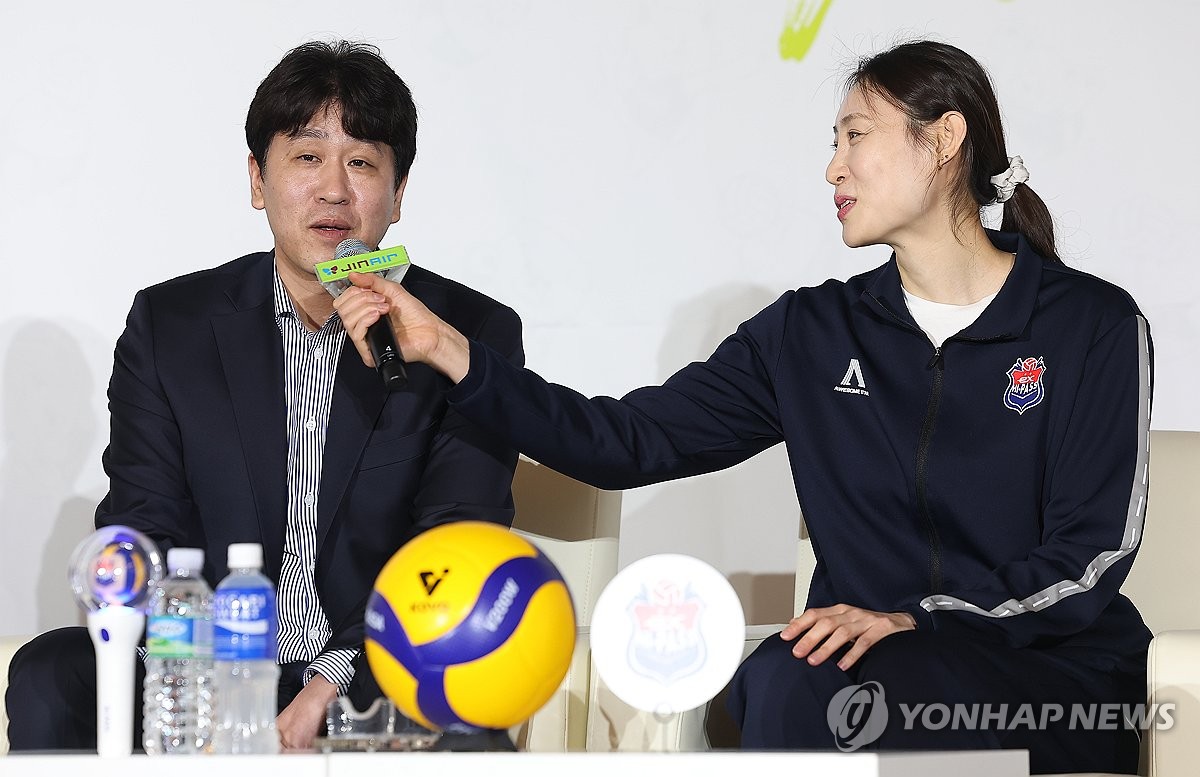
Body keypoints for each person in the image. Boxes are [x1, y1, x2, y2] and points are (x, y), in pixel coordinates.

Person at [332, 40, 1151, 774]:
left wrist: (918, 618)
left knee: (852, 693)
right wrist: (449, 349)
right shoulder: (811, 333)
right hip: (860, 669)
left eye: (855, 135)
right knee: (785, 681)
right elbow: (624, 440)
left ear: (943, 140)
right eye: (833, 143)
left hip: (1050, 673)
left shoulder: (1092, 325)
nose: (833, 169)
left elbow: (1091, 555)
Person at [6, 40, 523, 752]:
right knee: (51, 672)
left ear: (398, 193)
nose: (334, 190)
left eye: (362, 163)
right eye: (307, 156)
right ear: (258, 178)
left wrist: (331, 681)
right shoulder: (171, 326)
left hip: (372, 675)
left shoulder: (464, 333)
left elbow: (454, 543)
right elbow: (144, 524)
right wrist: (213, 682)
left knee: (470, 727)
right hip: (200, 668)